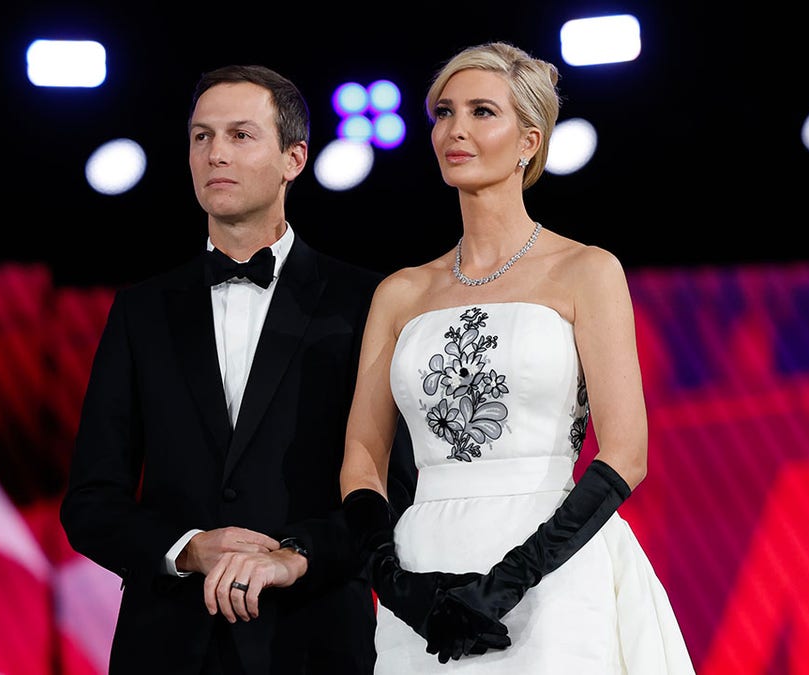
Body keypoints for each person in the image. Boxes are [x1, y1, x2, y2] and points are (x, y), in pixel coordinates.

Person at [338, 42, 696, 673]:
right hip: (425, 572)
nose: (456, 130)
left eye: (482, 112)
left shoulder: (585, 270)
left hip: (552, 565)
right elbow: (361, 460)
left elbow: (626, 453)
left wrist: (509, 582)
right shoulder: (401, 292)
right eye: (444, 112)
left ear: (529, 141)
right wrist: (401, 589)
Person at [60, 64, 416, 675]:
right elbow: (91, 502)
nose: (215, 153)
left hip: (313, 640)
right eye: (201, 137)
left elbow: (398, 490)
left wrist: (297, 555)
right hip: (166, 645)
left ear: (294, 159)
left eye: (240, 135)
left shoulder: (366, 302)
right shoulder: (141, 310)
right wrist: (190, 549)